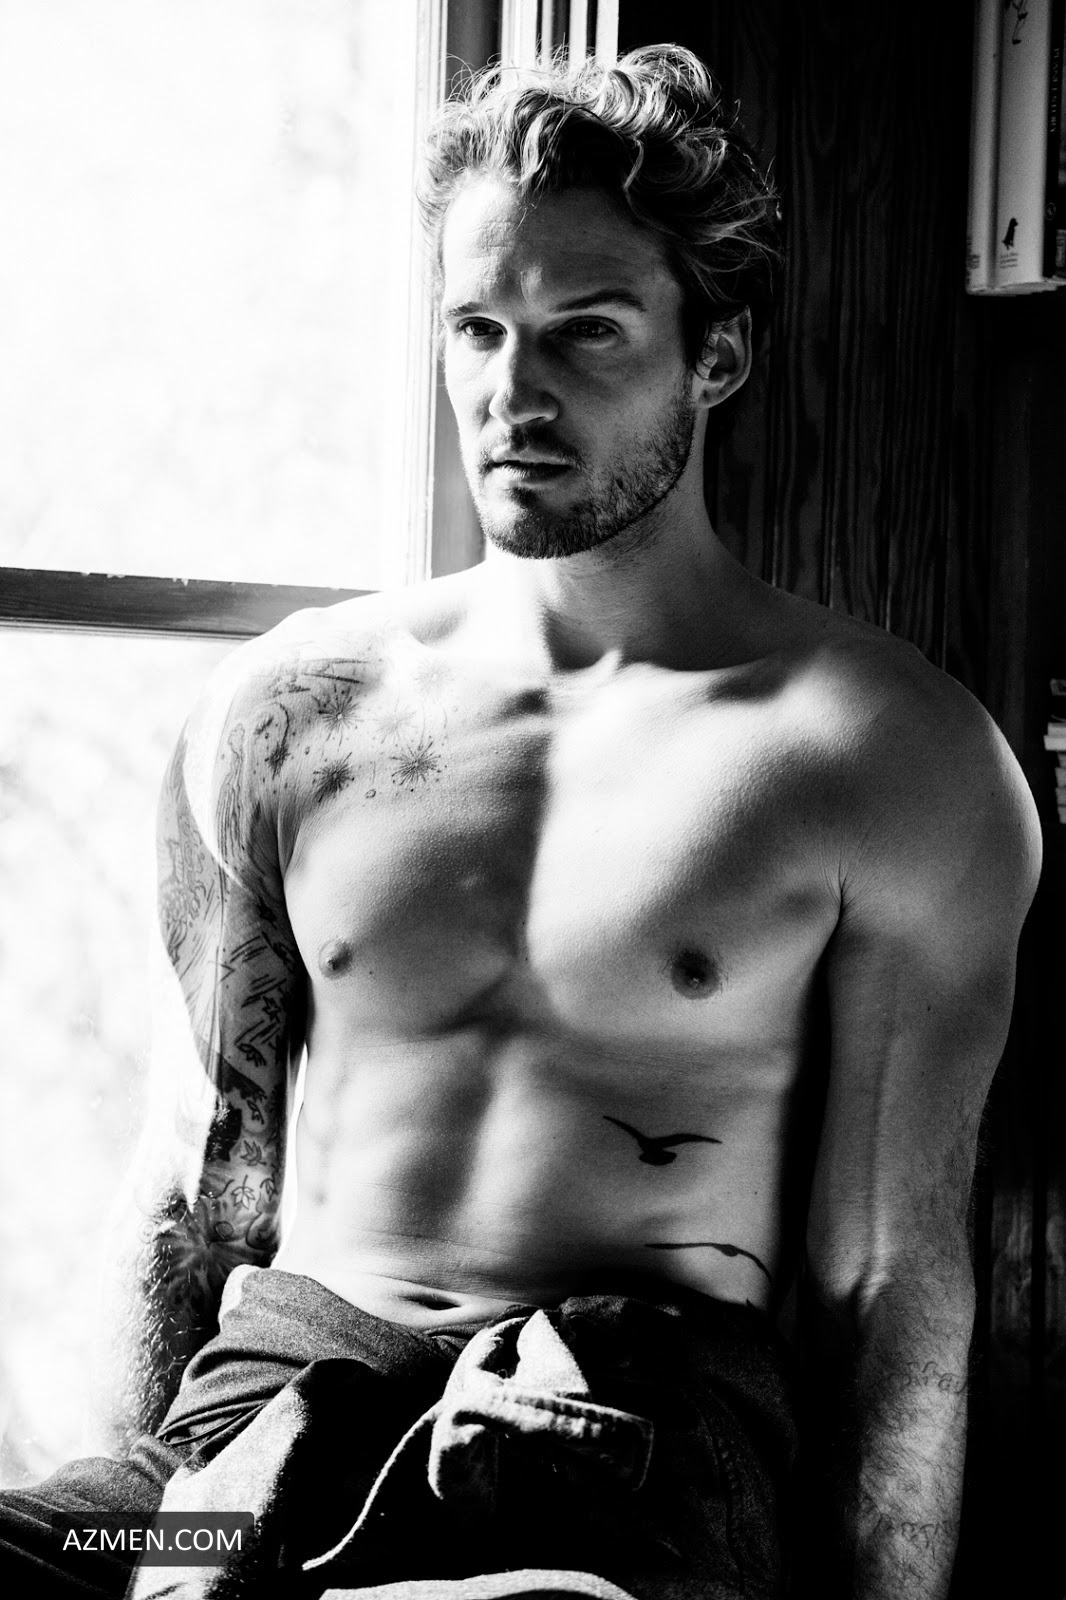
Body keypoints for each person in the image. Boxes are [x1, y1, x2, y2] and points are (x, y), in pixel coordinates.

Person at [0, 44, 1041, 1600]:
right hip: (254, 1444)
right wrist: (148, 1552)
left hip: (610, 1454)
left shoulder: (883, 754)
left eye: (584, 332)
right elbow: (191, 1194)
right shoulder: (289, 717)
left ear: (715, 358)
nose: (512, 392)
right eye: (476, 329)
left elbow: (884, 1278)